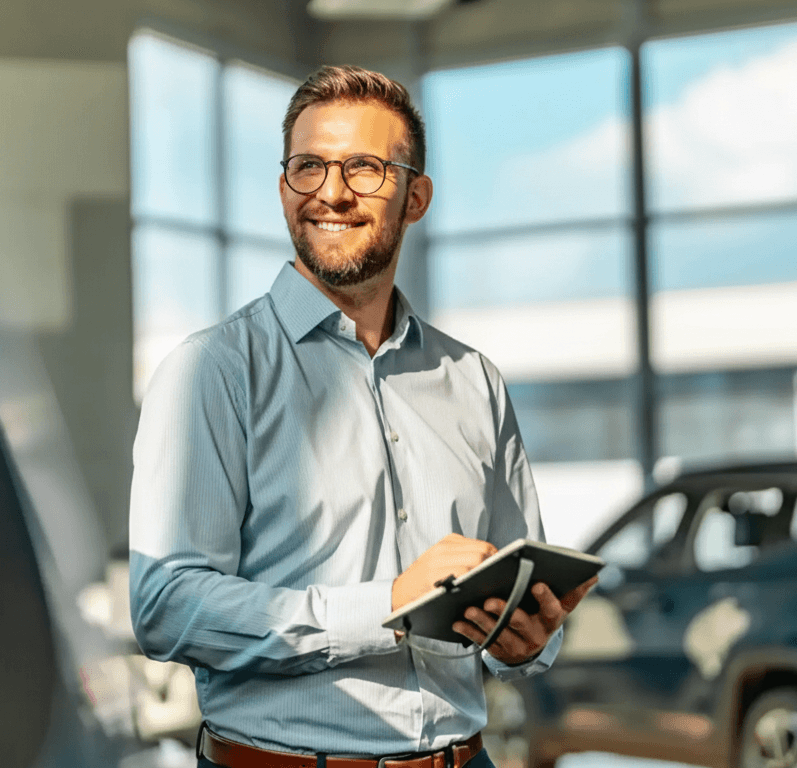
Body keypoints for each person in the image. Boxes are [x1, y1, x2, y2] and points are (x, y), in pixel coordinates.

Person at [128, 65, 596, 768]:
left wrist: (525, 642)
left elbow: (513, 590)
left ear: (416, 197)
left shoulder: (474, 381)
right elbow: (165, 605)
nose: (332, 192)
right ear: (283, 188)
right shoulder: (212, 372)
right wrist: (388, 607)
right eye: (308, 167)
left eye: (365, 168)